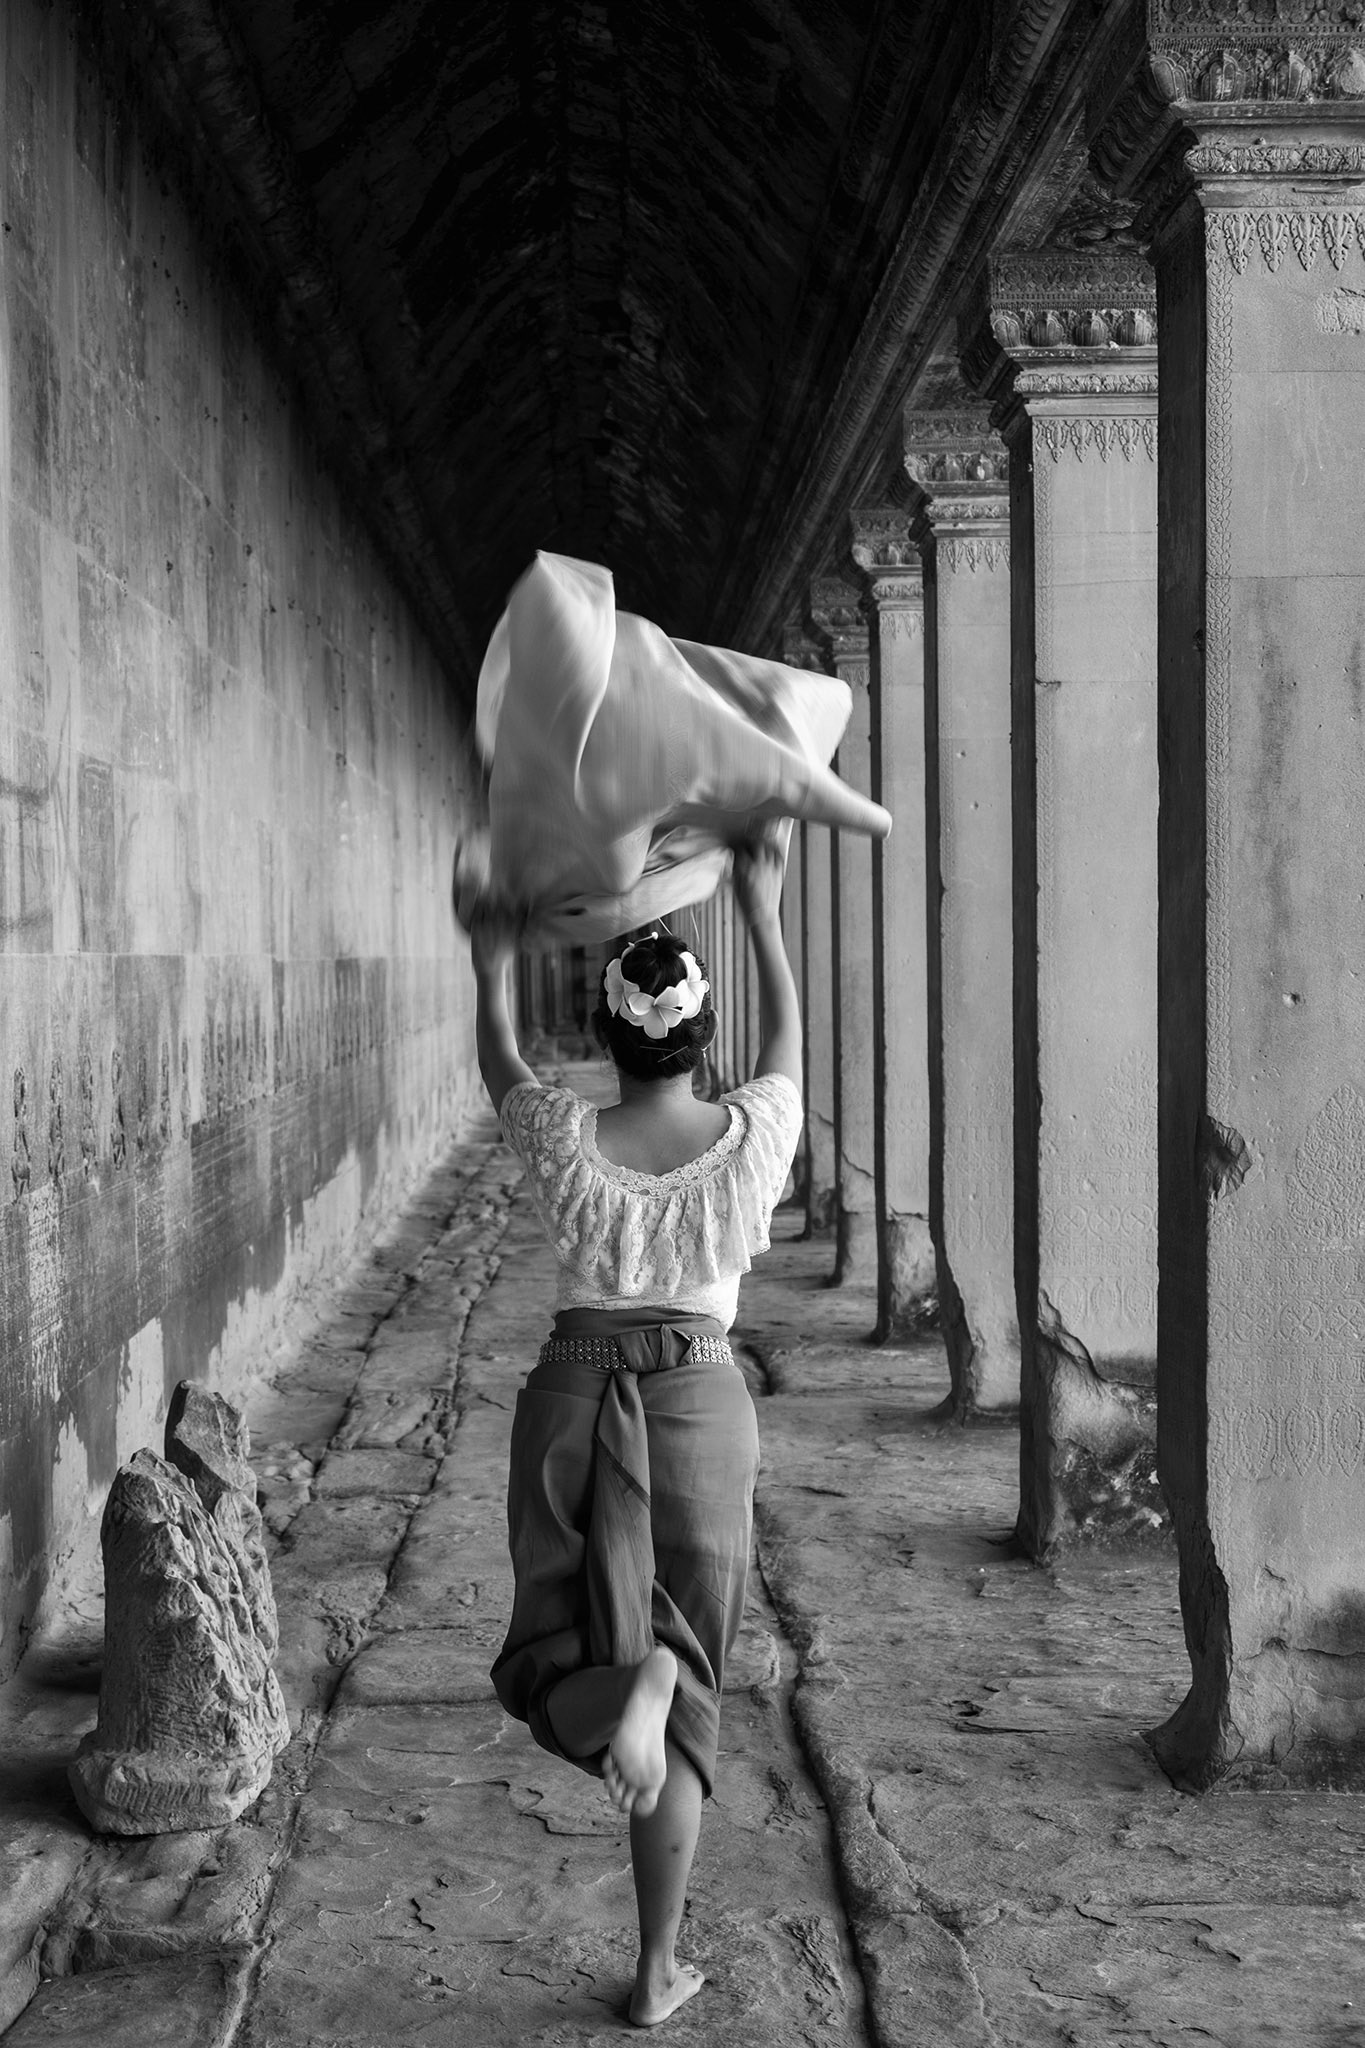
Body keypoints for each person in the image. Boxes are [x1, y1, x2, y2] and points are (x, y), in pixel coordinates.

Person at [460, 838, 803, 2028]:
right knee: (694, 1685)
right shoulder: (753, 1133)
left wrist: (489, 955)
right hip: (702, 1403)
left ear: (605, 1036)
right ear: (703, 1035)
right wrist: (761, 908)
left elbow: (500, 1058)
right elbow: (787, 1047)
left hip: (573, 1398)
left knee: (550, 1659)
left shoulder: (564, 1137)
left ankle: (628, 1685)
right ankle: (657, 1965)